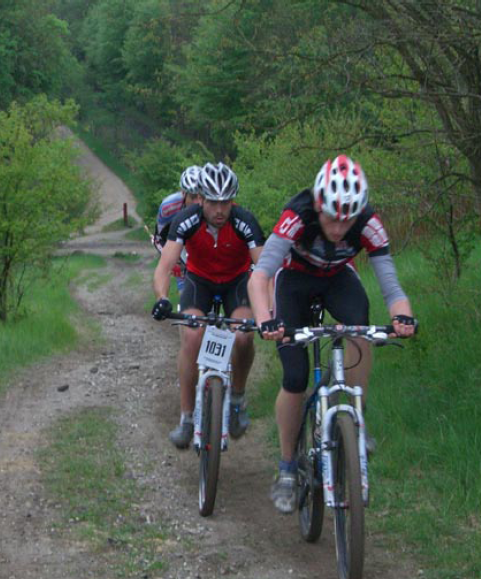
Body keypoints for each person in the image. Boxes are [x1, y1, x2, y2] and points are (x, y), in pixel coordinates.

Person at [247, 155, 416, 514]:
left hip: (338, 279)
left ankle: (356, 417)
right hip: (293, 282)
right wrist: (265, 320)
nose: (339, 228)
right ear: (319, 205)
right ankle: (288, 467)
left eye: (348, 220)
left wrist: (403, 318)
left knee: (361, 327)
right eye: (331, 218)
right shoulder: (297, 216)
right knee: (295, 377)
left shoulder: (369, 224)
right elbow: (260, 276)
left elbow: (392, 287)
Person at [152, 162, 266, 448]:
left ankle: (237, 398)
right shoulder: (185, 220)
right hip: (199, 282)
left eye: (225, 202)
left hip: (235, 283)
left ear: (233, 200)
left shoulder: (245, 221)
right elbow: (164, 266)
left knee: (243, 335)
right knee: (191, 336)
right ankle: (187, 418)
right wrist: (162, 299)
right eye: (213, 202)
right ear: (200, 198)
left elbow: (264, 270)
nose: (219, 210)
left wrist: (270, 313)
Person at [152, 165, 204, 292]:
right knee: (186, 295)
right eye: (192, 197)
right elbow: (159, 239)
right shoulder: (169, 207)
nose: (198, 202)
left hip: (204, 245)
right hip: (181, 247)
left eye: (202, 196)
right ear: (183, 193)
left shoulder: (214, 206)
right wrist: (174, 262)